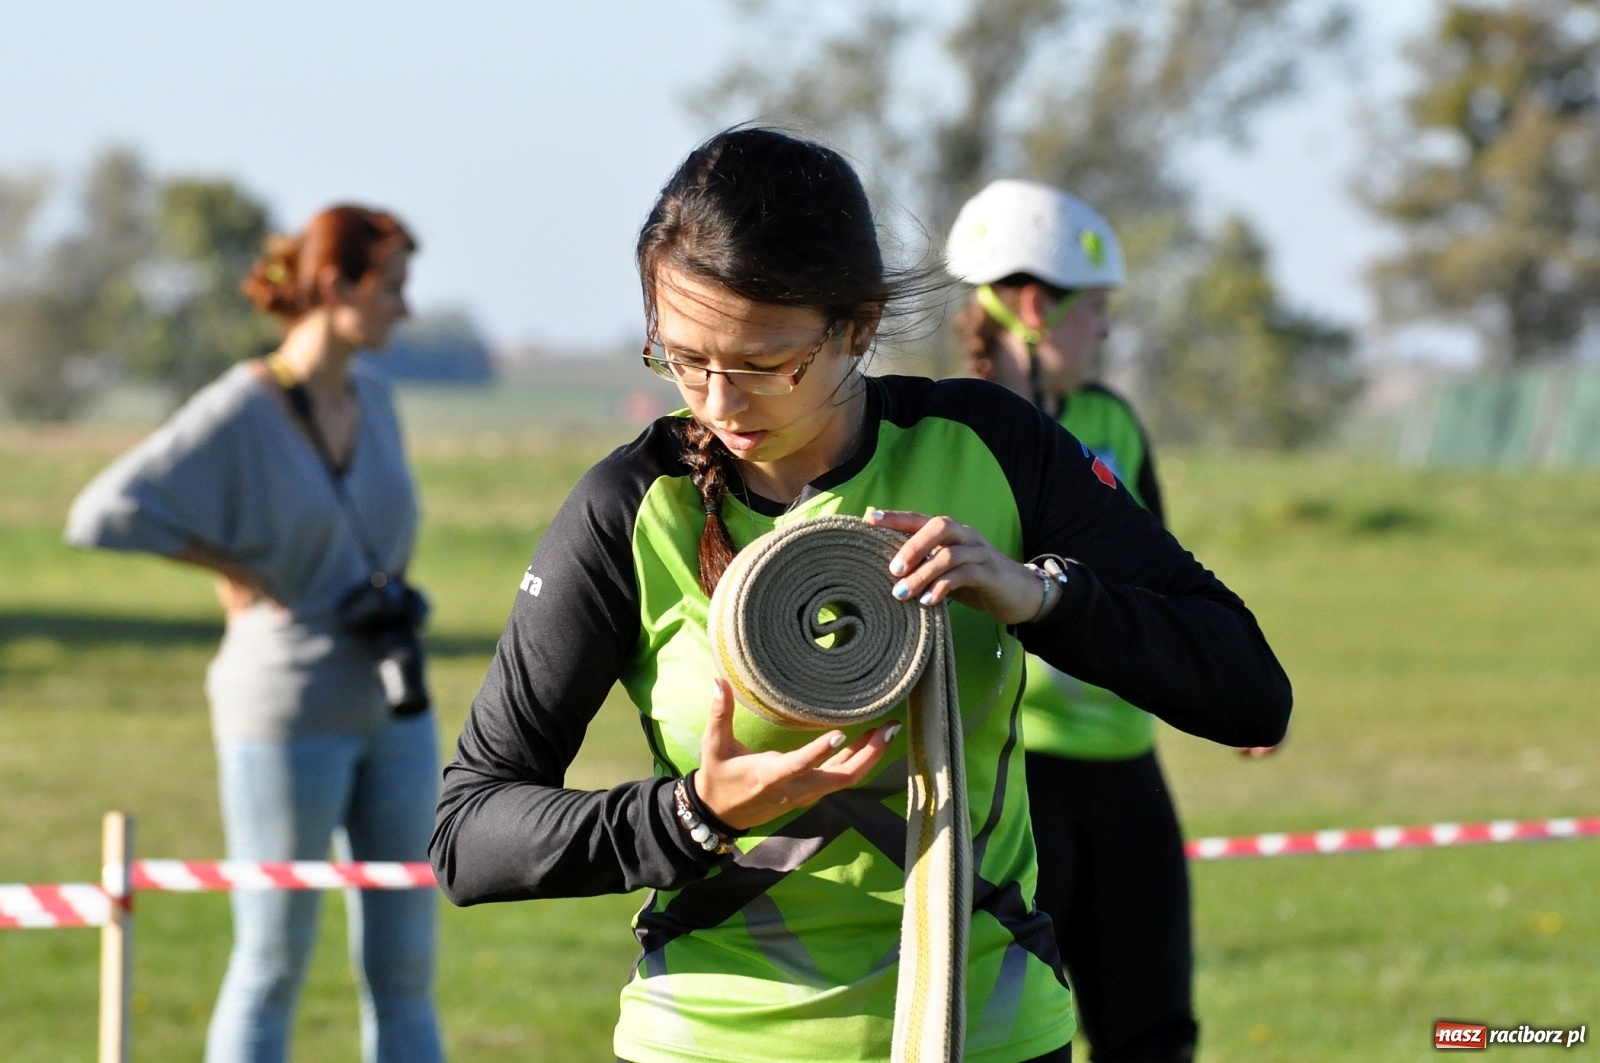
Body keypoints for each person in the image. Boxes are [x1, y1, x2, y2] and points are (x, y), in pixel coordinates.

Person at [430, 128, 1290, 1063]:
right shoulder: (632, 505)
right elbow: (468, 832)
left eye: (765, 363)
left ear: (860, 326)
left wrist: (1040, 598)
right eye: (681, 358)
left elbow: (1250, 690)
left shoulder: (991, 446)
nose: (719, 401)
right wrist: (694, 815)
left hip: (987, 1037)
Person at [67, 205, 445, 1063]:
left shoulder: (378, 399)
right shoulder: (243, 406)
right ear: (336, 286)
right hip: (282, 706)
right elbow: (105, 510)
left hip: (395, 702)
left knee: (407, 973)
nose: (405, 306)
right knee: (271, 964)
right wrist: (236, 568)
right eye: (392, 286)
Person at [946, 178, 1243, 1063]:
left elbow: (1167, 585)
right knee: (1012, 1036)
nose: (1107, 331)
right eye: (1098, 309)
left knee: (1154, 1032)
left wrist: (1220, 685)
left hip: (1126, 769)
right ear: (1037, 307)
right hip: (1014, 778)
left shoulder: (1112, 418)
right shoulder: (954, 434)